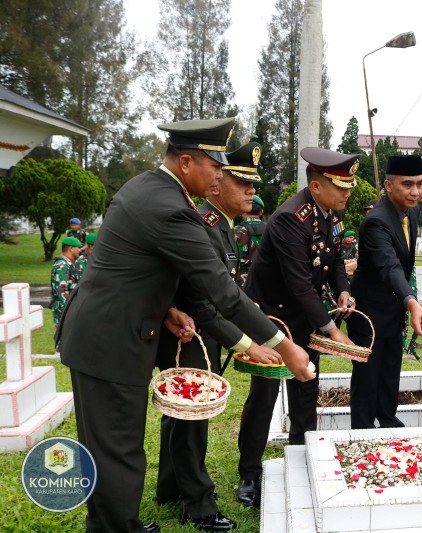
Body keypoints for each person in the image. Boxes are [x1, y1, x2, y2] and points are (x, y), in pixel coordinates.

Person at [55, 117, 313, 533]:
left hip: (108, 331)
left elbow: (133, 271)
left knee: (111, 447)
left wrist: (166, 309)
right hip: (111, 341)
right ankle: (116, 526)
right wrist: (285, 346)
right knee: (117, 450)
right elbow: (223, 294)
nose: (218, 178)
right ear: (188, 161)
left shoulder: (146, 187)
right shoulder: (172, 209)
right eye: (215, 167)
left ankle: (114, 522)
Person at [152, 142, 277, 531]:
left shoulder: (223, 226)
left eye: (254, 186)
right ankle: (200, 506)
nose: (251, 193)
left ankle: (170, 488)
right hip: (190, 333)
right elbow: (205, 303)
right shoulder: (205, 225)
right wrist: (248, 341)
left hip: (200, 330)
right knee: (193, 421)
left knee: (180, 416)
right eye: (243, 183)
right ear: (219, 183)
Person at [237, 146, 356, 507]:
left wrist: (343, 291)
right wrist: (332, 330)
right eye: (341, 186)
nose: (348, 192)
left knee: (307, 386)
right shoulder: (292, 217)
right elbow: (298, 282)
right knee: (265, 396)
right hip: (272, 316)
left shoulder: (331, 215)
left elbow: (334, 260)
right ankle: (250, 473)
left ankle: (302, 455)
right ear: (317, 186)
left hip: (305, 316)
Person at [348, 154, 422, 429]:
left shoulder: (412, 213)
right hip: (369, 313)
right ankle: (361, 429)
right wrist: (411, 301)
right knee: (368, 375)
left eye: (419, 184)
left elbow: (403, 264)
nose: (416, 191)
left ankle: (387, 418)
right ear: (388, 185)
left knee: (390, 370)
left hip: (393, 310)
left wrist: (405, 303)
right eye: (407, 184)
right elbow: (389, 265)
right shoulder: (376, 221)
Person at [234, 193, 266, 287]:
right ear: (261, 212)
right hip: (268, 282)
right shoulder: (272, 229)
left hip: (244, 284)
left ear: (242, 210)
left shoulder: (237, 230)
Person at [50, 237, 81, 325]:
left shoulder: (69, 264)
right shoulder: (62, 266)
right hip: (64, 312)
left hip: (69, 310)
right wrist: (70, 311)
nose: (80, 250)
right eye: (78, 247)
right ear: (71, 249)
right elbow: (61, 291)